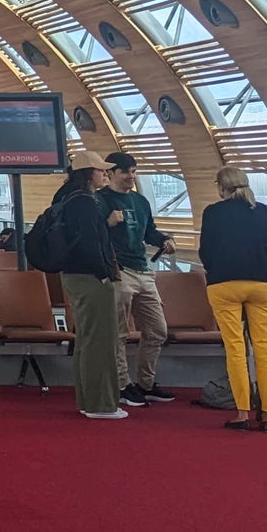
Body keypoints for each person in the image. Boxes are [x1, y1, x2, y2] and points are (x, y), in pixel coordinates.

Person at [199, 165, 267, 431]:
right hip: (263, 284)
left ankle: (243, 413)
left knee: (236, 349)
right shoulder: (263, 211)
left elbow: (205, 251)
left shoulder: (213, 212)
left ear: (222, 187)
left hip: (224, 284)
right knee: (264, 349)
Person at [98, 151, 175, 407]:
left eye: (133, 171)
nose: (131, 176)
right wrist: (107, 224)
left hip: (143, 270)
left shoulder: (140, 201)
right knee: (119, 332)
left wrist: (163, 240)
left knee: (157, 330)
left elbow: (148, 231)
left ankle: (146, 383)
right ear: (111, 173)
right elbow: (89, 236)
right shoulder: (100, 200)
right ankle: (122, 385)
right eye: (125, 172)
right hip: (118, 270)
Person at [52, 153, 124, 419]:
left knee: (86, 339)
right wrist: (104, 273)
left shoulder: (66, 196)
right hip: (90, 276)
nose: (105, 174)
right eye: (100, 170)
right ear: (87, 173)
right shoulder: (84, 202)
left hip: (74, 274)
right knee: (100, 341)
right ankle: (101, 404)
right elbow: (91, 242)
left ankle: (87, 399)